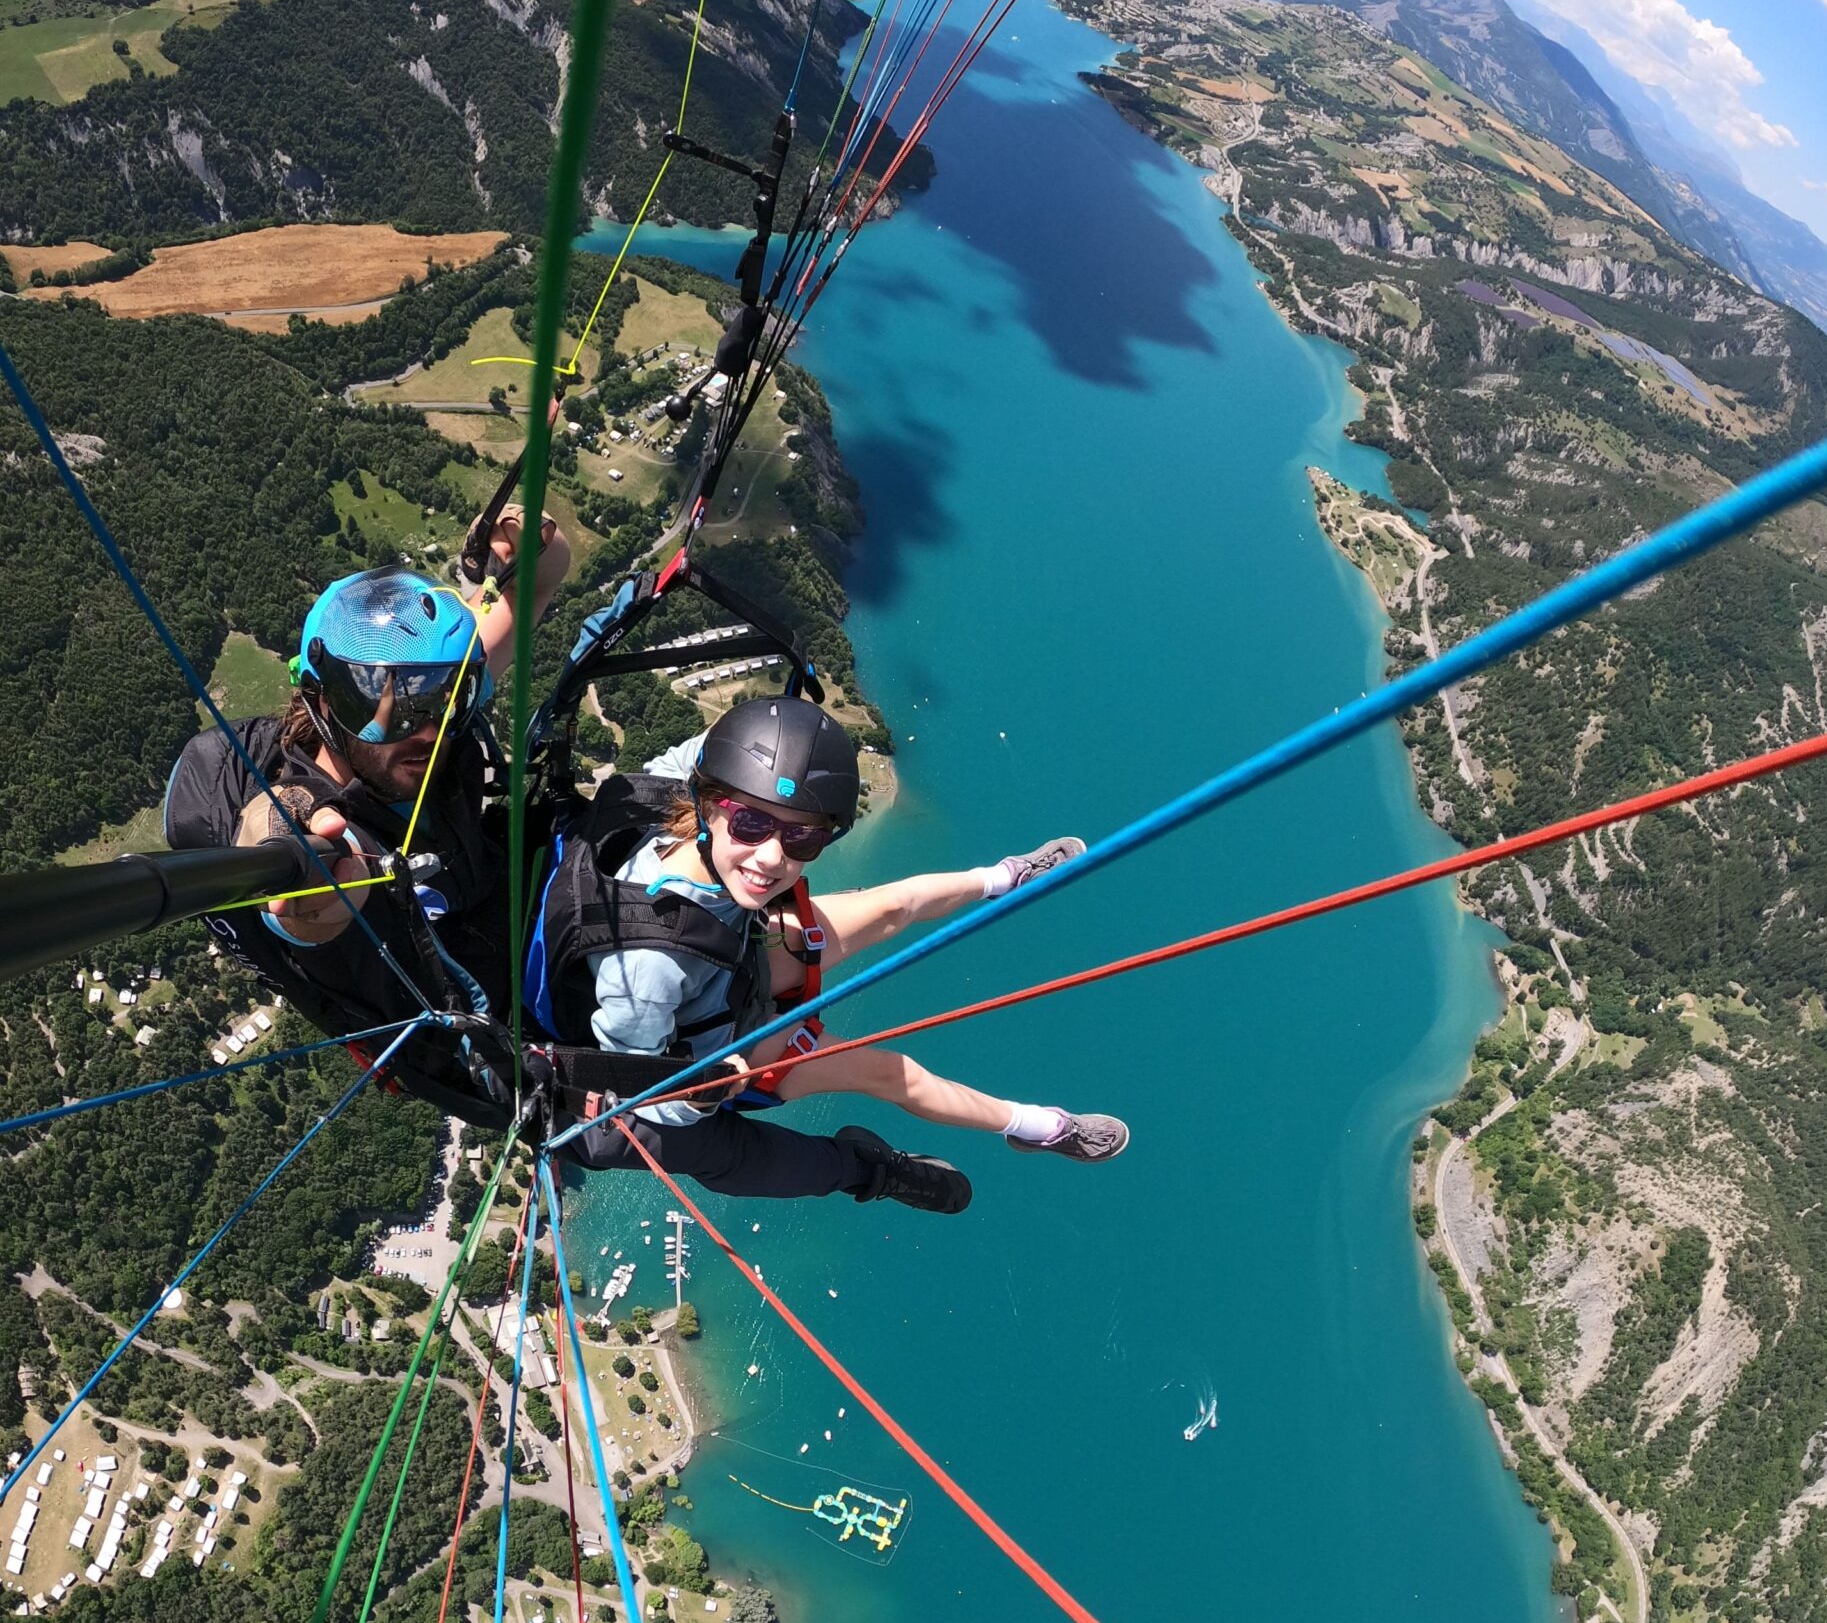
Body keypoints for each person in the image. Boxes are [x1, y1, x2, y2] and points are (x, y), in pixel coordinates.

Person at [539, 692, 1128, 1213]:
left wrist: (789, 729)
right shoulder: (645, 973)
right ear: (710, 807)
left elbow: (710, 752)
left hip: (727, 957)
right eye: (750, 824)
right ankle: (1038, 1127)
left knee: (894, 905)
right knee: (889, 1072)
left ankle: (1004, 878)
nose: (771, 858)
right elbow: (642, 1095)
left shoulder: (671, 792)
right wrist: (710, 1092)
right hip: (713, 1034)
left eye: (804, 837)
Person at [163, 511, 571, 1121]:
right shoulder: (313, 811)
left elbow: (538, 582)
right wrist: (297, 888)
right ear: (323, 702)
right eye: (392, 704)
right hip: (487, 1032)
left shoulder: (426, 708)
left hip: (503, 922)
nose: (427, 730)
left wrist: (532, 538)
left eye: (444, 699)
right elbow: (298, 894)